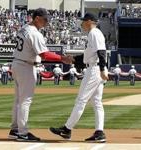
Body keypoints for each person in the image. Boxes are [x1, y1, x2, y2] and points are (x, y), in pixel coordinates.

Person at [8, 8, 73, 142]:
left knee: (18, 100)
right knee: (25, 100)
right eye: (45, 19)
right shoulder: (34, 33)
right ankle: (22, 132)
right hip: (26, 66)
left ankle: (15, 130)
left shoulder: (24, 28)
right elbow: (44, 54)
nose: (47, 22)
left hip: (17, 63)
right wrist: (62, 58)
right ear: (37, 18)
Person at [50, 12, 108, 143]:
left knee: (81, 100)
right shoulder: (94, 33)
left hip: (95, 69)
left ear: (89, 21)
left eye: (83, 21)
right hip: (95, 67)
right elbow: (90, 56)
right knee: (97, 103)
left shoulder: (94, 33)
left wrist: (102, 69)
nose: (82, 24)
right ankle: (99, 132)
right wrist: (74, 60)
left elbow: (101, 52)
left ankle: (67, 129)